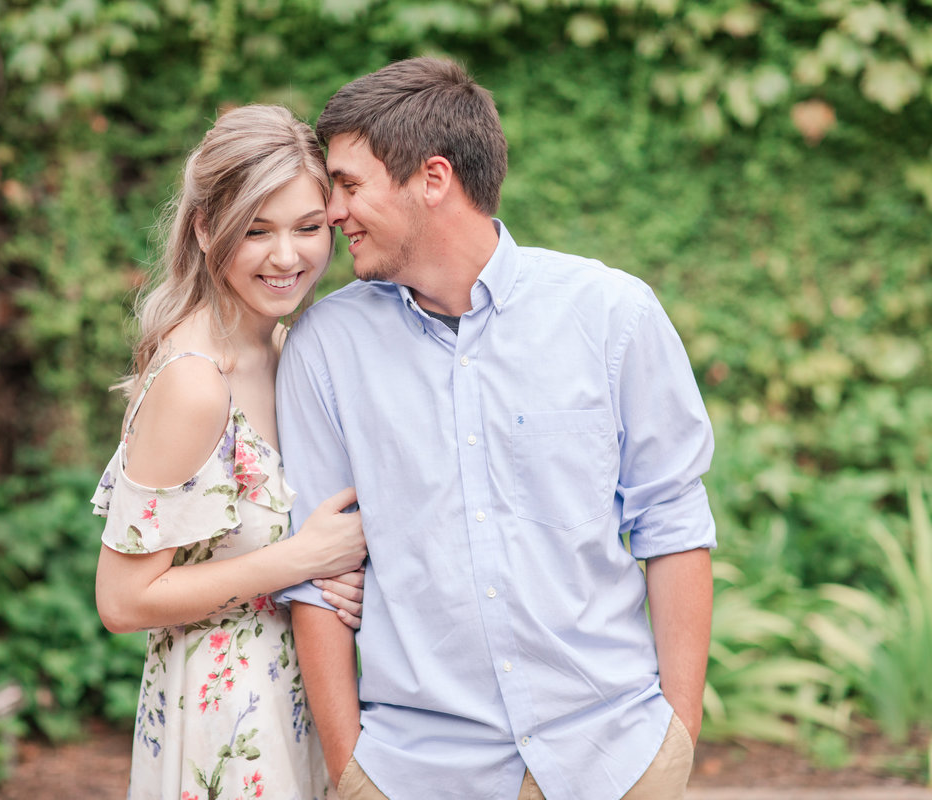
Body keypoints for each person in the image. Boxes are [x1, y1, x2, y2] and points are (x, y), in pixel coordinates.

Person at [276, 57, 716, 800]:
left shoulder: (613, 316)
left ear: (434, 179)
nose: (334, 213)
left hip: (611, 760)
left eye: (349, 185)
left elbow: (672, 521)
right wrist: (349, 766)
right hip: (413, 773)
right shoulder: (324, 346)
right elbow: (317, 574)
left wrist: (675, 737)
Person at [92, 104, 368, 800]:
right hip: (227, 721)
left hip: (301, 693)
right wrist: (301, 559)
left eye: (308, 228)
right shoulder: (195, 382)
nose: (288, 256)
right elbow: (122, 600)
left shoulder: (279, 344)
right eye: (257, 230)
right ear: (207, 228)